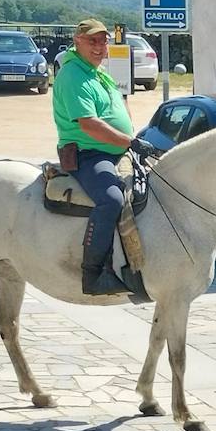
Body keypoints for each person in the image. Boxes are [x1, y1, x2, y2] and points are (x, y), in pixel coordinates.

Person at [51, 18, 134, 296]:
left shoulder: (97, 72)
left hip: (116, 150)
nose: (99, 46)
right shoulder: (74, 74)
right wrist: (130, 141)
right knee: (111, 199)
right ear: (77, 42)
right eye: (92, 41)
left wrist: (131, 141)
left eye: (103, 40)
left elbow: (119, 108)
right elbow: (89, 124)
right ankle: (94, 275)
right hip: (89, 153)